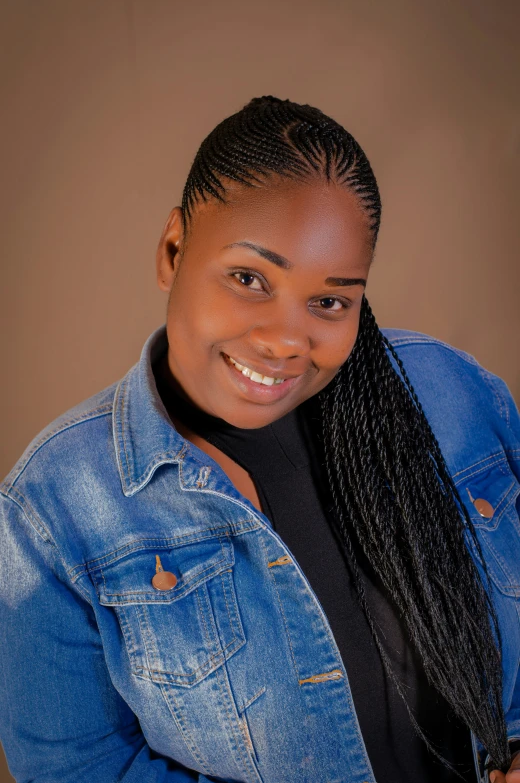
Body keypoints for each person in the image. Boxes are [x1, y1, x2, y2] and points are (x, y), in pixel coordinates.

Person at [0, 96, 519, 783]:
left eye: (330, 300)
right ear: (173, 249)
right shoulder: (55, 505)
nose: (284, 339)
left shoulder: (454, 393)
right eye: (249, 279)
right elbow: (76, 767)